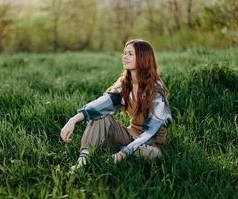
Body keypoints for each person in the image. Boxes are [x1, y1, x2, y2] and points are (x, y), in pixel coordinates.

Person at [60, 39, 172, 171]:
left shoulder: (156, 90)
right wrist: (73, 120)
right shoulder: (124, 84)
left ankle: (122, 153)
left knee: (145, 153)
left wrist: (122, 154)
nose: (125, 57)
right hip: (129, 134)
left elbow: (150, 133)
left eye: (130, 54)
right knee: (100, 116)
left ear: (143, 57)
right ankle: (83, 161)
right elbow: (101, 105)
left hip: (150, 143)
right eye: (124, 53)